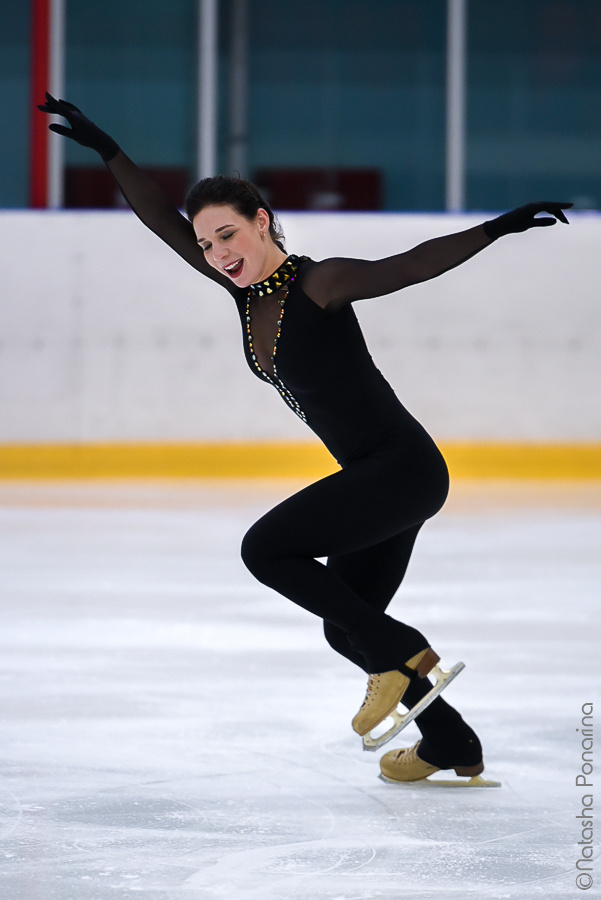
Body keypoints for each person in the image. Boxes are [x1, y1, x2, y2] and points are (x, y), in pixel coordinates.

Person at [38, 93, 570, 785]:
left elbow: (409, 265)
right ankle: (449, 740)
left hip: (402, 470)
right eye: (207, 244)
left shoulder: (318, 283)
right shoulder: (244, 295)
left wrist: (495, 229)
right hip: (379, 478)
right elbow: (162, 223)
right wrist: (110, 150)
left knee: (267, 549)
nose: (216, 252)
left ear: (261, 222)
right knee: (343, 623)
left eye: (227, 234)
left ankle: (402, 649)